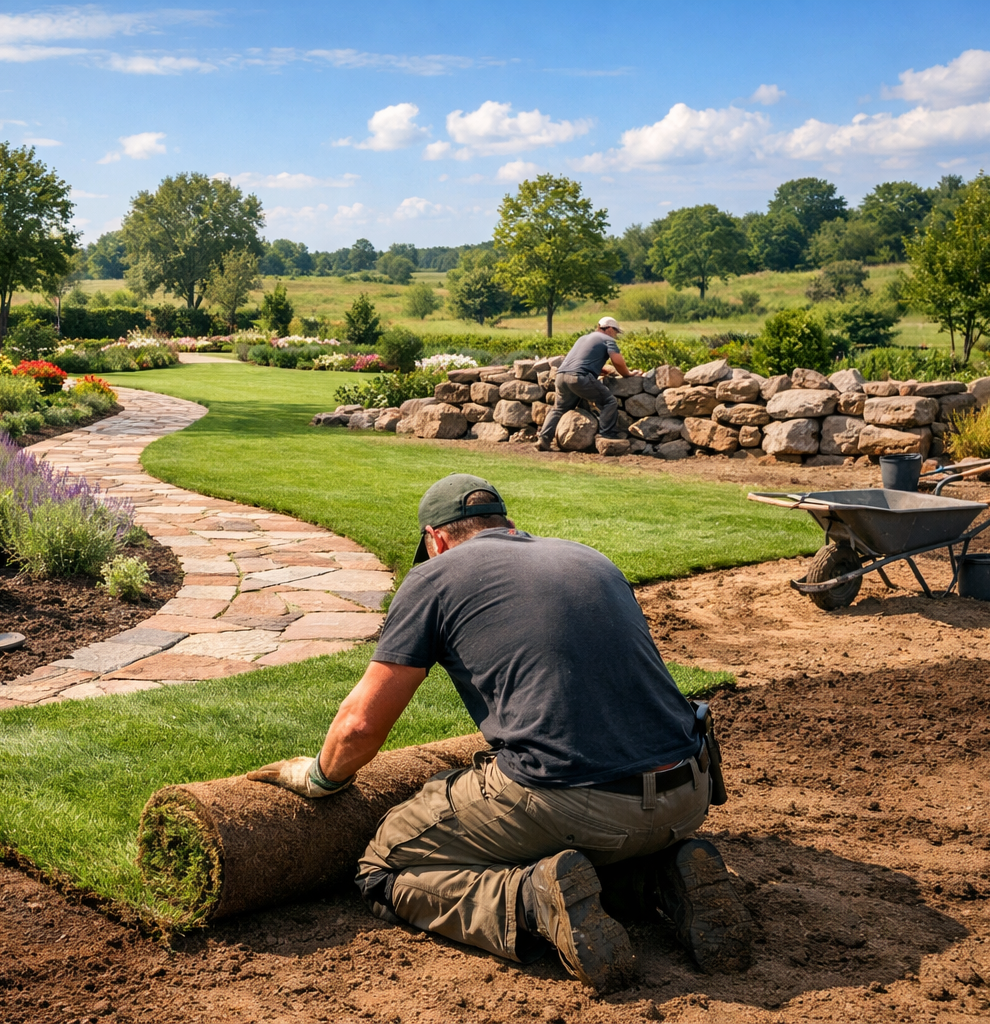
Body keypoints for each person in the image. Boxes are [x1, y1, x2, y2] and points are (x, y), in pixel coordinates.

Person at [248, 474, 753, 993]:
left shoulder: (435, 577)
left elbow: (359, 727)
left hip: (572, 801)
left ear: (434, 539)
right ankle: (659, 877)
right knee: (591, 824)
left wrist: (320, 777)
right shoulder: (590, 558)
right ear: (508, 524)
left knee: (383, 867)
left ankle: (532, 901)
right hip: (689, 790)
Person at [537, 315, 641, 451]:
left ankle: (544, 440)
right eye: (616, 332)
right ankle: (606, 435)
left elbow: (580, 359)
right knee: (608, 402)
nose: (615, 336)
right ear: (609, 329)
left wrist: (599, 369)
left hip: (561, 376)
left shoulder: (583, 338)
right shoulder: (607, 340)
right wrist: (627, 374)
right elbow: (617, 361)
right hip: (579, 378)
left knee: (559, 409)